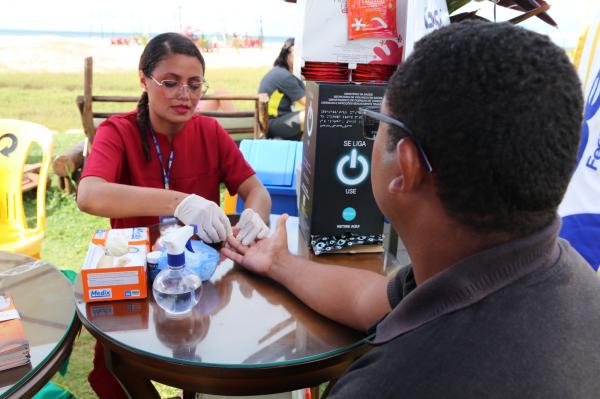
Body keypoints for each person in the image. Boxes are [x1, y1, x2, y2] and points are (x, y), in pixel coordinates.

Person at [222, 21, 600, 398]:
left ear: (406, 166)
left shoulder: (389, 384)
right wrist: (279, 263)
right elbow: (368, 299)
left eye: (378, 124)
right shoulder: (552, 275)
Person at [77, 32, 271, 398]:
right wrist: (179, 202)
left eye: (195, 84)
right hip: (133, 282)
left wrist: (254, 216)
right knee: (116, 366)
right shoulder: (117, 132)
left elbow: (255, 191)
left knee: (204, 357)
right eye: (170, 82)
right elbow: (88, 195)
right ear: (143, 80)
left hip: (200, 283)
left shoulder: (210, 132)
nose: (185, 94)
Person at [258, 38, 305, 141]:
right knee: (309, 115)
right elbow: (309, 103)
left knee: (312, 114)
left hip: (280, 119)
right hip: (271, 124)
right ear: (286, 54)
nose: (300, 56)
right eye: (296, 52)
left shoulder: (287, 73)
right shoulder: (284, 76)